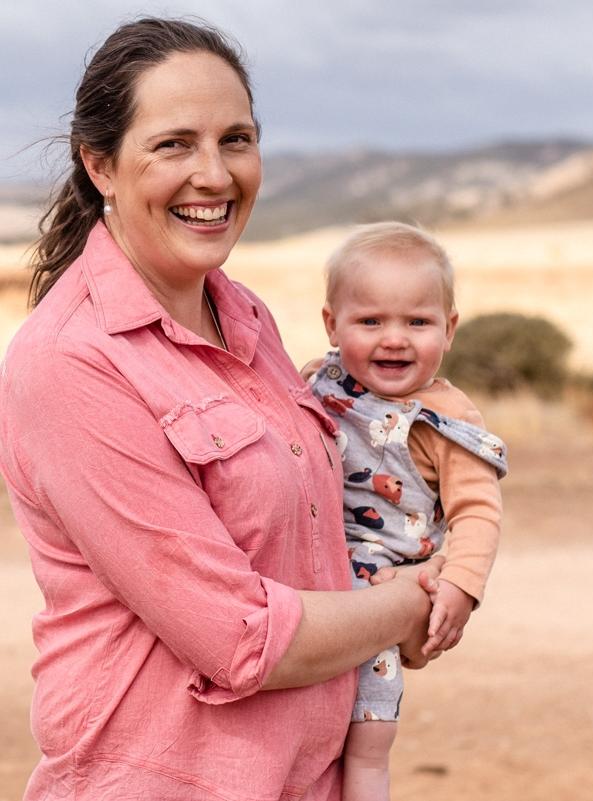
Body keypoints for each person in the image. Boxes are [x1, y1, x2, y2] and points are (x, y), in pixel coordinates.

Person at [0, 19, 443, 801]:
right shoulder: (72, 362)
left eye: (236, 139)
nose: (214, 174)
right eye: (173, 145)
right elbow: (240, 639)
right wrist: (418, 597)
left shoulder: (248, 317)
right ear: (98, 164)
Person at [309, 222, 507, 800]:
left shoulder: (449, 423)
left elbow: (477, 513)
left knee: (368, 745)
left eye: (417, 322)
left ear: (448, 330)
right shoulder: (317, 382)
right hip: (310, 573)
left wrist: (461, 586)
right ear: (332, 325)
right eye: (370, 321)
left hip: (382, 590)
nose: (394, 339)